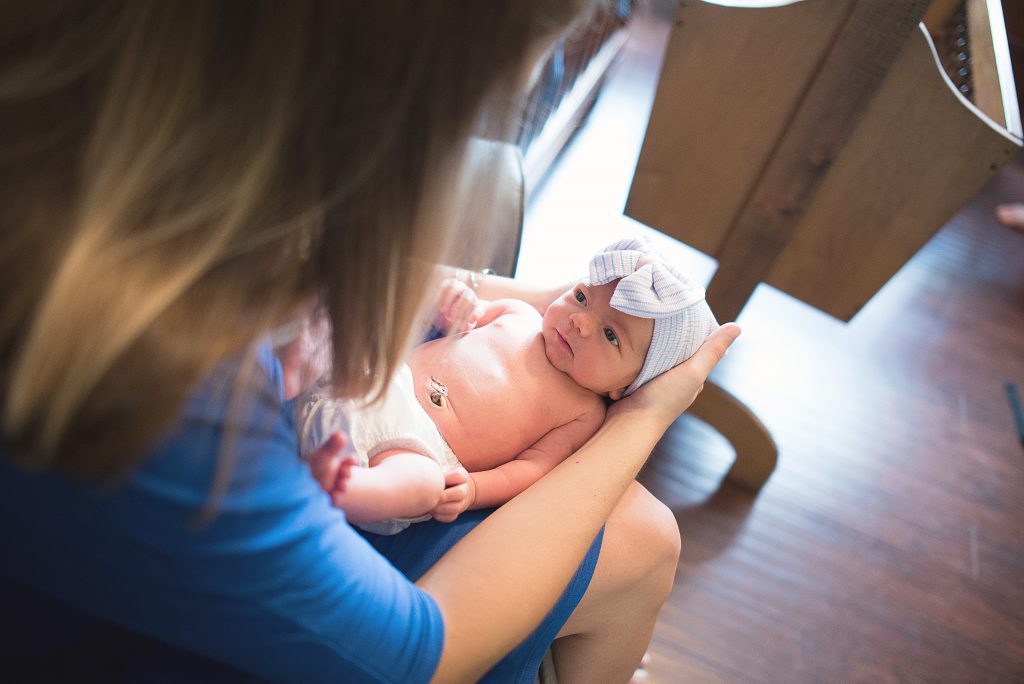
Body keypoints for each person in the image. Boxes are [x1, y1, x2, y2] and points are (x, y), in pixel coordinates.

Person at [0, 3, 740, 683]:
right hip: (121, 626)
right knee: (645, 539)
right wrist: (643, 418)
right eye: (487, 109)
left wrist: (565, 303)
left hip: (384, 457)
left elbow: (370, 278)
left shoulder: (112, 148)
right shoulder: (172, 391)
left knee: (630, 527)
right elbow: (419, 652)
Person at [292, 237, 719, 534]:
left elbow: (531, 469)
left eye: (611, 336)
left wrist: (476, 489)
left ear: (626, 387)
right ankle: (276, 379)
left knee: (422, 485)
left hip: (413, 446)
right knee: (341, 328)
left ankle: (346, 486)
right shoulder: (518, 314)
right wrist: (453, 299)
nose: (580, 321)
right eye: (583, 297)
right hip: (378, 379)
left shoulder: (582, 413)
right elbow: (461, 315)